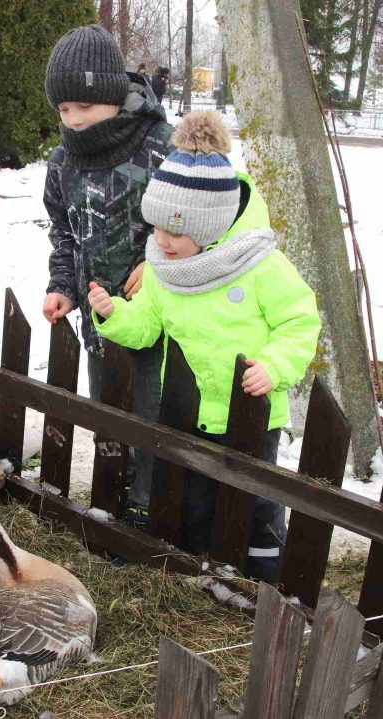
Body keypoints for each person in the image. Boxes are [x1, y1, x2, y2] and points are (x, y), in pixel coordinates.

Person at [87, 111, 321, 582]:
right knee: (195, 496)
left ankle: (264, 582)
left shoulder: (259, 265)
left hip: (249, 409)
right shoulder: (164, 269)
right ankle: (202, 572)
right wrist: (113, 315)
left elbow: (300, 321)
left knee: (255, 500)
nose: (162, 242)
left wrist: (274, 366)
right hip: (188, 408)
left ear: (211, 226)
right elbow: (148, 327)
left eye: (176, 231)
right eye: (156, 228)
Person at [42, 24, 174, 526]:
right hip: (100, 322)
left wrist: (158, 261)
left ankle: (154, 518)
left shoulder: (162, 147)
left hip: (160, 323)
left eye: (83, 107)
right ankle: (115, 510)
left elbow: (204, 223)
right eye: (63, 110)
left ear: (113, 97)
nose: (73, 121)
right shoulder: (62, 162)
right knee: (109, 414)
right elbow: (64, 233)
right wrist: (63, 286)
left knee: (155, 419)